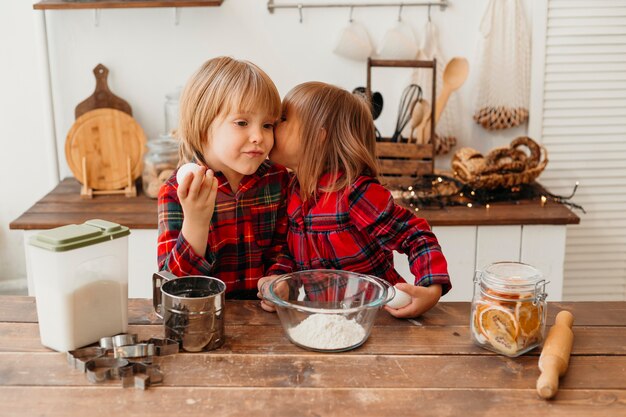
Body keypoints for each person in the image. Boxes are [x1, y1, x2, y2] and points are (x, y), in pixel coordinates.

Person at [260, 81, 451, 318]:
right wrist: (279, 280)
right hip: (325, 318)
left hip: (378, 317)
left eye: (284, 118)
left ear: (318, 137)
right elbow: (291, 251)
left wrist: (431, 289)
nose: (273, 125)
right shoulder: (293, 191)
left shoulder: (356, 193)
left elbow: (416, 236)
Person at [157, 56, 293, 299]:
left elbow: (284, 249)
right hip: (206, 322)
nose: (258, 137)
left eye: (267, 125)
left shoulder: (278, 179)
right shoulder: (178, 191)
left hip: (265, 323)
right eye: (242, 122)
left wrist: (278, 279)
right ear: (202, 126)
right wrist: (196, 223)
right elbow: (172, 287)